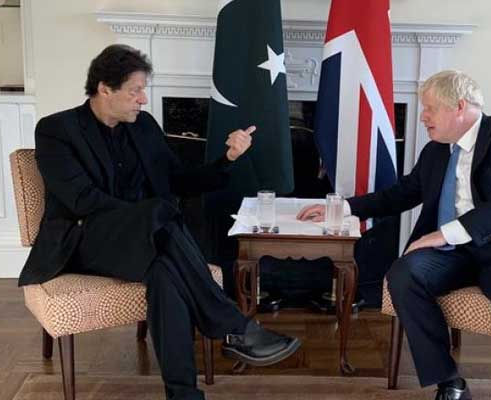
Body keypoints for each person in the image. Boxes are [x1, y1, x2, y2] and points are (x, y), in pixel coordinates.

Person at [18, 44, 301, 400]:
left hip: (148, 238)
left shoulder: (143, 127)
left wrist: (227, 159)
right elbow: (80, 200)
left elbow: (177, 179)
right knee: (158, 214)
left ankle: (183, 394)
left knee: (165, 272)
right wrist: (143, 216)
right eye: (135, 91)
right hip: (82, 241)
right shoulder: (57, 130)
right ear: (105, 88)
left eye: (144, 90)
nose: (143, 100)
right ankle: (233, 326)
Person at [297, 70, 491, 400]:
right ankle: (449, 381)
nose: (422, 118)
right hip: (457, 253)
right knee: (404, 274)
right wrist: (342, 207)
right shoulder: (436, 151)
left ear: (458, 107)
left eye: (429, 108)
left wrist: (444, 234)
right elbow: (399, 195)